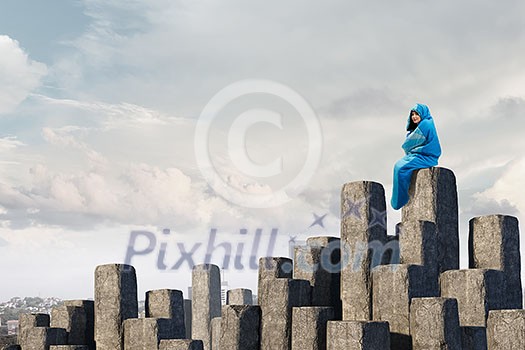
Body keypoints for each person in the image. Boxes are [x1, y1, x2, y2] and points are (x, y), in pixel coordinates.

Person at [391, 103, 441, 210]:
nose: (414, 116)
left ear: (422, 114)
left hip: (427, 157)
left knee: (400, 168)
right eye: (412, 114)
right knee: (398, 165)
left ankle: (400, 200)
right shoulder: (419, 126)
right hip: (417, 155)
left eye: (417, 114)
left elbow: (408, 144)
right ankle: (399, 198)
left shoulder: (426, 124)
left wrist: (409, 147)